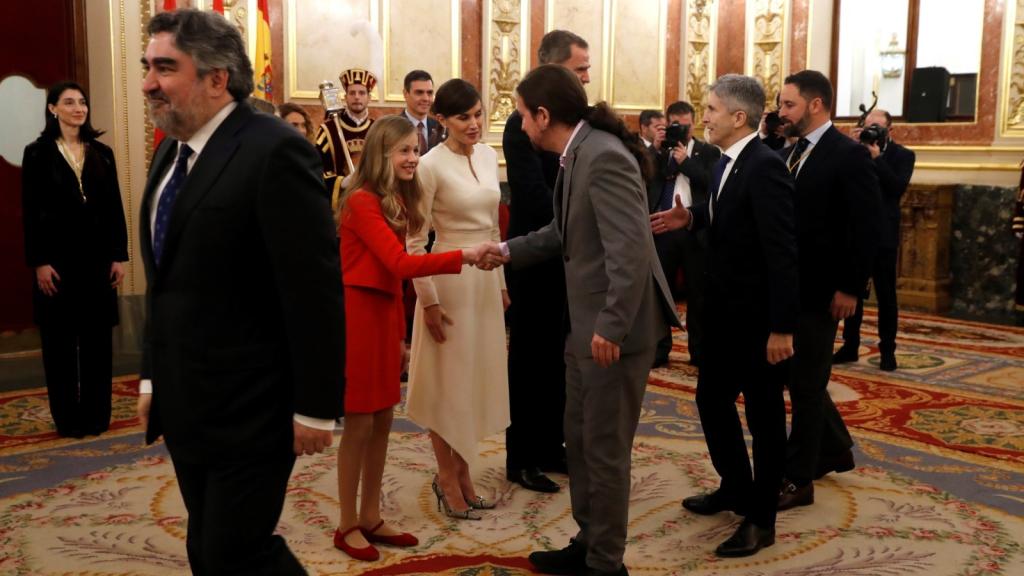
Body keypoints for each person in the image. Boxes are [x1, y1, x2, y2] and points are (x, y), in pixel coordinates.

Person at [136, 9, 345, 574]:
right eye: (146, 66)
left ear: (215, 77)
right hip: (187, 403)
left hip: (253, 406)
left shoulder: (275, 150)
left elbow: (313, 289)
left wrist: (317, 407)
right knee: (206, 548)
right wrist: (155, 373)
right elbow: (165, 281)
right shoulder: (168, 151)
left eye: (164, 67)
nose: (148, 82)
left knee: (237, 550)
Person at [483, 64, 680, 576]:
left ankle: (606, 563)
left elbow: (631, 252)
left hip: (615, 330)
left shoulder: (603, 158)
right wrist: (504, 250)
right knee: (582, 439)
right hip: (587, 322)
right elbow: (561, 233)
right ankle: (588, 541)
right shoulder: (579, 153)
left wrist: (611, 326)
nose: (521, 128)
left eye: (524, 116)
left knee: (606, 451)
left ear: (544, 115)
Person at [651, 74, 799, 558]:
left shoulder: (766, 166)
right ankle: (735, 485)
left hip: (757, 322)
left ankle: (762, 519)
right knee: (711, 401)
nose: (704, 116)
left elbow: (782, 252)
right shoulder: (723, 162)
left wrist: (782, 326)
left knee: (764, 416)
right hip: (719, 317)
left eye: (711, 108)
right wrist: (691, 218)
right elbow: (731, 217)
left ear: (739, 117)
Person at [334, 116, 488, 560]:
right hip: (359, 314)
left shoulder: (393, 200)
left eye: (415, 150)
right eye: (403, 150)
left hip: (384, 312)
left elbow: (397, 271)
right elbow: (400, 264)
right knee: (360, 423)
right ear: (382, 154)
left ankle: (370, 516)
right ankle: (347, 524)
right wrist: (466, 255)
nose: (412, 158)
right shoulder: (362, 201)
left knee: (383, 418)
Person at [775, 70, 882, 510]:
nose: (781, 112)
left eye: (788, 105)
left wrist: (850, 288)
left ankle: (799, 479)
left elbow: (866, 227)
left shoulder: (848, 155)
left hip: (823, 292)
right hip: (789, 287)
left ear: (815, 105)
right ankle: (834, 448)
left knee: (806, 383)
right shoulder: (791, 152)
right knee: (800, 378)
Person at [405, 79, 510, 520]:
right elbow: (414, 240)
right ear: (442, 120)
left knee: (475, 381)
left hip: (484, 284)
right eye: (463, 117)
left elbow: (493, 229)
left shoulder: (488, 156)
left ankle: (465, 474)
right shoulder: (428, 165)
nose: (474, 123)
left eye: (478, 114)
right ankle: (447, 477)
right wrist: (427, 300)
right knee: (448, 385)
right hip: (445, 282)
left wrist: (502, 283)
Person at [502, 28, 591, 495]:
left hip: (567, 255)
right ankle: (522, 457)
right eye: (580, 70)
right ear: (555, 70)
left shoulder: (580, 124)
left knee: (561, 356)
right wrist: (574, 223)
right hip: (534, 255)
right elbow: (534, 198)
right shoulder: (522, 124)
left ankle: (552, 445)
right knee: (530, 359)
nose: (587, 79)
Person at [21, 80, 128, 439]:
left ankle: (97, 418)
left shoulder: (102, 152)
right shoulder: (36, 153)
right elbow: (31, 212)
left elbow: (115, 208)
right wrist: (39, 261)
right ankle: (68, 421)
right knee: (60, 345)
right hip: (57, 263)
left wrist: (119, 255)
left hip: (98, 262)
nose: (78, 108)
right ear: (53, 108)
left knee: (98, 344)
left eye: (82, 102)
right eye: (69, 102)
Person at [834, 108, 915, 371]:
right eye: (868, 126)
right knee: (852, 289)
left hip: (883, 234)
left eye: (877, 127)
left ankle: (887, 351)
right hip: (854, 232)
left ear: (890, 130)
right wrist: (853, 146)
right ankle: (850, 345)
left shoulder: (903, 155)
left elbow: (896, 188)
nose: (873, 132)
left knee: (886, 295)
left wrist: (877, 158)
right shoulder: (853, 151)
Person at [651, 100, 720, 368]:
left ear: (695, 124)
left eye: (686, 125)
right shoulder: (659, 151)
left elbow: (712, 183)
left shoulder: (708, 151)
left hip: (695, 229)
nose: (681, 131)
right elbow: (646, 179)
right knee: (660, 293)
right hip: (663, 228)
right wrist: (657, 152)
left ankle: (699, 351)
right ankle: (659, 349)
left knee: (698, 294)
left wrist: (686, 163)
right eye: (675, 125)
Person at [316, 67, 377, 206]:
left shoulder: (377, 129)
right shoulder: (328, 130)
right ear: (345, 97)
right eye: (352, 93)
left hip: (372, 203)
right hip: (340, 206)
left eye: (362, 93)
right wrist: (341, 183)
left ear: (369, 98)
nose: (357, 97)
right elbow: (316, 169)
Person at [401, 70, 443, 153]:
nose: (426, 98)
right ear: (405, 94)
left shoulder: (440, 128)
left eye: (430, 93)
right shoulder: (392, 128)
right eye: (419, 93)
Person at [638, 109, 666, 213]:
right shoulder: (634, 145)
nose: (662, 131)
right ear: (644, 128)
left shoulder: (666, 147)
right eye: (658, 128)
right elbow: (641, 167)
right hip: (645, 205)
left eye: (664, 128)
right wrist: (654, 147)